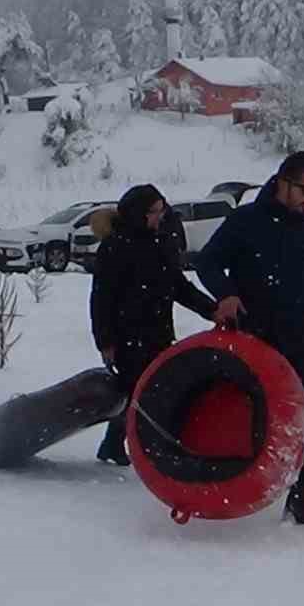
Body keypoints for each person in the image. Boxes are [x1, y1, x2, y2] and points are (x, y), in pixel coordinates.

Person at [195, 151, 304, 529]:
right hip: (251, 334)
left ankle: (301, 496)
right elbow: (206, 262)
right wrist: (225, 293)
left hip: (298, 336)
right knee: (247, 415)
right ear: (283, 182)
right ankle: (229, 486)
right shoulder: (245, 221)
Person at [90, 184, 217, 466]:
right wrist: (106, 341)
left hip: (157, 331)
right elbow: (102, 298)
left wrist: (213, 310)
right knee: (142, 392)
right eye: (154, 212)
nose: (160, 216)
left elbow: (178, 287)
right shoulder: (115, 246)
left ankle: (114, 445)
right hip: (127, 336)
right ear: (138, 214)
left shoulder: (160, 242)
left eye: (162, 210)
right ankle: (145, 447)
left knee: (143, 391)